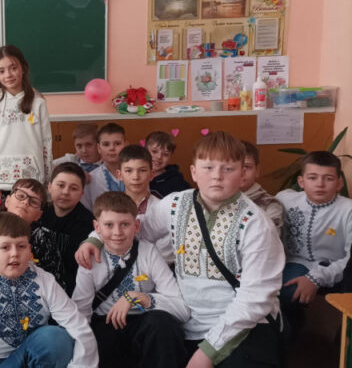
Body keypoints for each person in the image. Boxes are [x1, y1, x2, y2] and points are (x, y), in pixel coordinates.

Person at [79, 131, 285, 368]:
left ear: (242, 174)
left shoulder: (256, 224)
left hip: (243, 328)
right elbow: (135, 229)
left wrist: (208, 352)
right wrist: (94, 239)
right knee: (156, 332)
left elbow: (255, 298)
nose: (217, 176)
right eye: (208, 168)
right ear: (194, 172)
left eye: (228, 169)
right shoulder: (176, 204)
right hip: (188, 323)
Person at [0, 212, 99, 368]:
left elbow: (77, 325)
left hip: (34, 359)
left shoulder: (45, 281)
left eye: (21, 246)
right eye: (5, 247)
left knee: (55, 338)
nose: (15, 253)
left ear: (29, 250)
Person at [72, 191, 189, 368]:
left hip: (144, 326)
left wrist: (140, 297)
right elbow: (81, 311)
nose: (117, 232)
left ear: (136, 226)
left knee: (162, 323)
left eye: (125, 224)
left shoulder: (148, 252)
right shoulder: (91, 258)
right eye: (109, 225)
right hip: (106, 325)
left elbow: (182, 310)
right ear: (97, 227)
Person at [0, 45, 52, 212]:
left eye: (13, 68)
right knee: (1, 228)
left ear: (23, 68)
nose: (8, 75)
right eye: (1, 71)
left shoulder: (38, 103)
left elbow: (46, 146)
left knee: (28, 227)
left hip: (32, 184)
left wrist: (47, 186)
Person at [0, 179, 79, 296]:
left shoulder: (44, 237)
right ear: (7, 201)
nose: (25, 202)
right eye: (21, 196)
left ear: (38, 215)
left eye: (33, 201)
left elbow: (57, 283)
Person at [276, 151, 352, 309]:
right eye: (312, 178)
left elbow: (349, 259)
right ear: (301, 181)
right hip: (296, 263)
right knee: (285, 290)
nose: (320, 184)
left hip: (336, 267)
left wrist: (316, 278)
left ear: (339, 183)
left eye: (328, 178)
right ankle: (291, 322)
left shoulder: (348, 210)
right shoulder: (285, 199)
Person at [117, 144, 173, 263]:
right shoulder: (111, 207)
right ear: (119, 175)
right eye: (129, 171)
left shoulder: (162, 207)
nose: (136, 177)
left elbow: (168, 247)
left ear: (151, 174)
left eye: (142, 170)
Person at [40, 162, 95, 243]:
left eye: (73, 188)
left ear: (81, 194)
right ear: (49, 187)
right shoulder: (38, 211)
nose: (66, 192)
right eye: (61, 185)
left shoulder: (89, 225)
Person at [239, 141, 284, 233]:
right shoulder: (216, 200)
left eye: (247, 166)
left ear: (257, 170)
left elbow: (269, 237)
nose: (241, 172)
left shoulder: (270, 204)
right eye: (231, 167)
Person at [83, 123, 127, 211]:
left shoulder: (137, 174)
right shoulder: (91, 179)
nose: (112, 148)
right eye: (106, 144)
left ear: (125, 146)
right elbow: (86, 211)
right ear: (99, 148)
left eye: (117, 143)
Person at [146, 131, 191, 198]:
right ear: (145, 151)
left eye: (165, 154)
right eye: (154, 151)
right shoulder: (136, 175)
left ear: (170, 157)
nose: (159, 157)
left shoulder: (177, 182)